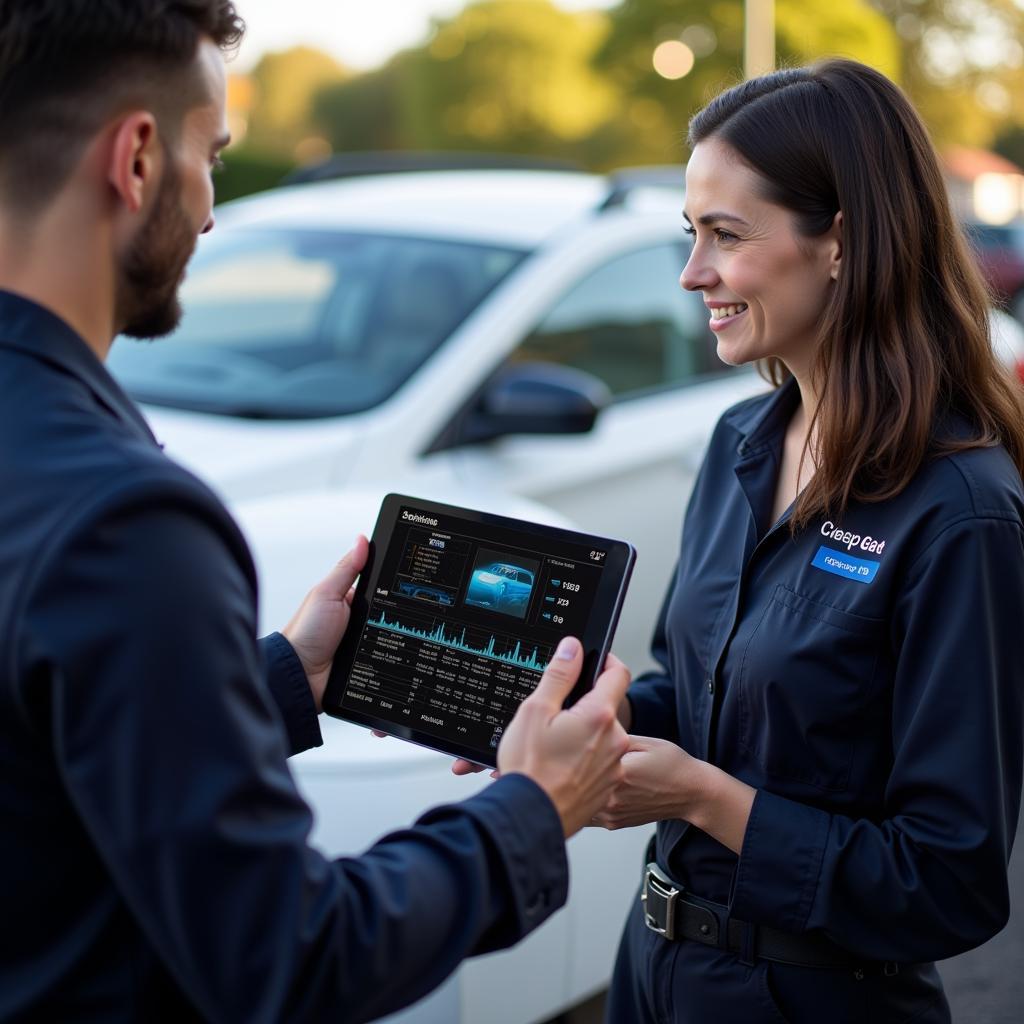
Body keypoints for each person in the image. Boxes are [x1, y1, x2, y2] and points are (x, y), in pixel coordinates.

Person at [0, 3, 631, 1021]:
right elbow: (287, 958)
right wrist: (530, 807)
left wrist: (282, 676)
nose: (210, 211)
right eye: (213, 153)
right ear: (140, 157)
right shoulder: (128, 520)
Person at [593, 59, 1024, 1023]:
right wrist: (588, 715)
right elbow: (697, 695)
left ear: (842, 242)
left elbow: (949, 880)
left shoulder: (960, 511)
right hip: (655, 974)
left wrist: (707, 800)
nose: (691, 272)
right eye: (690, 233)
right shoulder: (740, 443)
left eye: (725, 236)